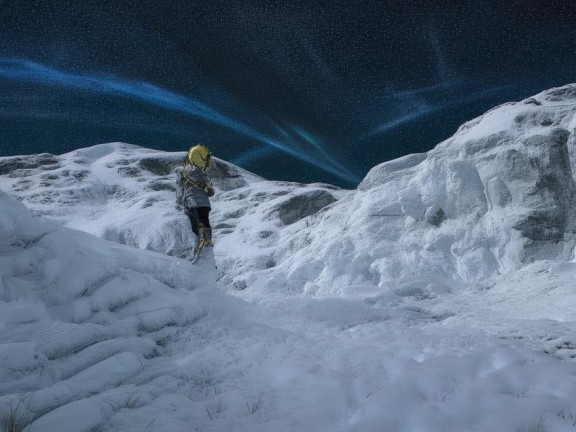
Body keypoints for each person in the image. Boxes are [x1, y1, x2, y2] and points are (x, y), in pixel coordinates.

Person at [177, 144, 215, 253]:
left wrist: (179, 202)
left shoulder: (184, 173)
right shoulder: (203, 175)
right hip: (204, 203)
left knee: (195, 222)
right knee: (204, 220)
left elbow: (180, 189)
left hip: (191, 201)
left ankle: (199, 242)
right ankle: (207, 240)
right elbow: (211, 191)